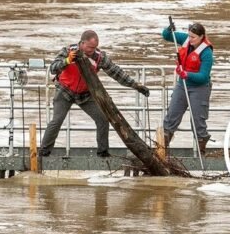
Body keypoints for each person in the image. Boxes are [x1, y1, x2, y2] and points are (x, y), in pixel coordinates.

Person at [39, 30, 150, 158]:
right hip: (65, 91)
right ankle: (44, 151)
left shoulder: (99, 57)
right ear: (82, 43)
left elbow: (117, 73)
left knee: (103, 119)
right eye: (89, 47)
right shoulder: (68, 51)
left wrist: (136, 85)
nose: (91, 50)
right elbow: (53, 68)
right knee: (57, 121)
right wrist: (67, 61)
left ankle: (103, 152)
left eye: (94, 48)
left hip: (86, 94)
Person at [161, 22, 214, 155]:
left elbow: (203, 76)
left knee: (197, 118)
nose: (190, 40)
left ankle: (202, 140)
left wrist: (186, 74)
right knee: (172, 114)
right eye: (189, 36)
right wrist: (169, 29)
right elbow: (166, 36)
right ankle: (163, 146)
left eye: (193, 37)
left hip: (199, 88)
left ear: (202, 37)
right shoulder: (185, 39)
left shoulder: (206, 52)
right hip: (182, 85)